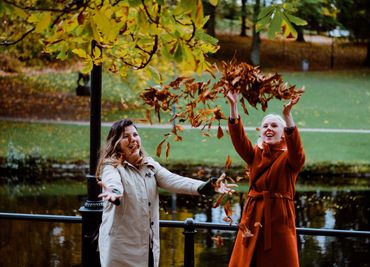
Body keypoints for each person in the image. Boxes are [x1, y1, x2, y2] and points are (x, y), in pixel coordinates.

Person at [96, 118, 235, 267]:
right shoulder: (111, 166)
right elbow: (112, 182)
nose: (133, 139)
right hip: (121, 249)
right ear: (116, 142)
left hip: (147, 247)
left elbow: (174, 180)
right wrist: (114, 192)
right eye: (125, 136)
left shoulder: (149, 165)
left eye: (135, 134)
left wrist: (207, 187)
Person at [226, 91, 305, 267]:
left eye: (274, 126)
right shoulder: (255, 154)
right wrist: (233, 106)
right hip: (252, 216)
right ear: (261, 132)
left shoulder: (290, 158)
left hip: (278, 218)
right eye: (265, 126)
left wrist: (287, 115)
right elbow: (238, 139)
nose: (269, 128)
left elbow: (297, 151)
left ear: (283, 133)